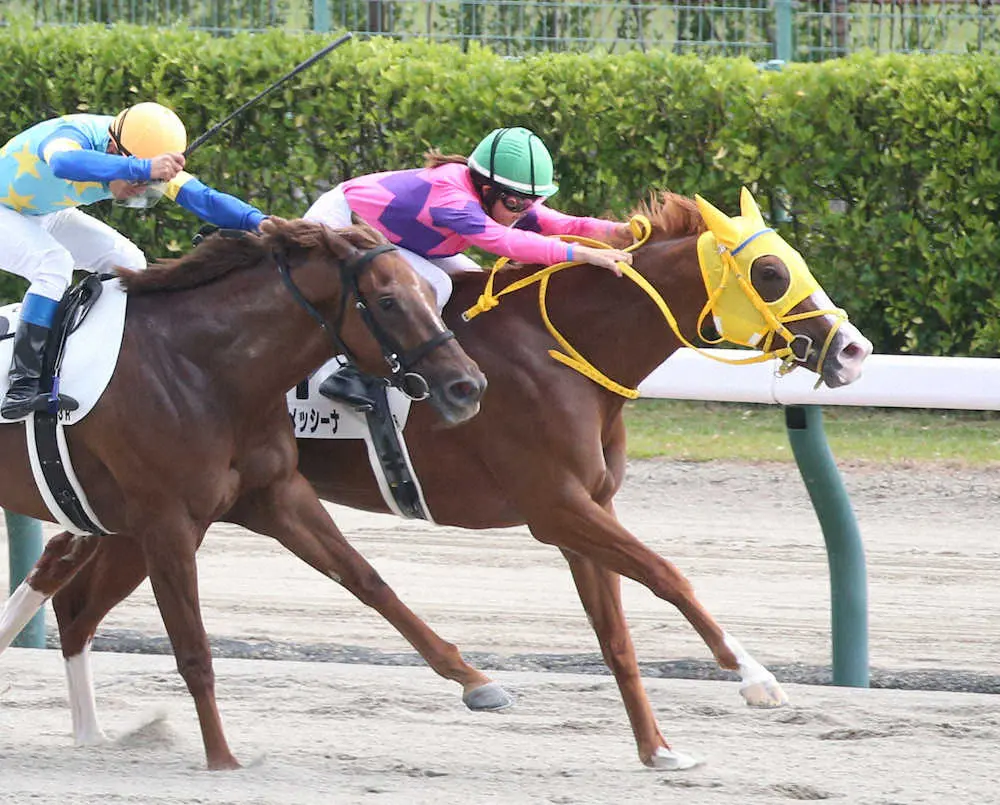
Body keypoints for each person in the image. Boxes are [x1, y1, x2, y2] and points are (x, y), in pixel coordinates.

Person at [304, 125, 633, 408]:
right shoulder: (453, 199)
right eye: (515, 203)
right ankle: (351, 374)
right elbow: (503, 241)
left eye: (530, 202)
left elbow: (559, 223)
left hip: (397, 238)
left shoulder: (499, 196)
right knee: (436, 286)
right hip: (341, 224)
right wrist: (577, 254)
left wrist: (620, 231)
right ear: (487, 190)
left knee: (471, 282)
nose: (523, 211)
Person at [0, 102, 268, 420]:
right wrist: (142, 169)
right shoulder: (74, 135)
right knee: (53, 264)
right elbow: (63, 164)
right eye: (138, 181)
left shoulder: (139, 151)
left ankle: (106, 360)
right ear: (113, 148)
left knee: (128, 261)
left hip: (44, 211)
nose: (138, 191)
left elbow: (204, 198)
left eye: (146, 185)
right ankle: (21, 386)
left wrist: (260, 222)